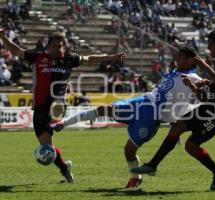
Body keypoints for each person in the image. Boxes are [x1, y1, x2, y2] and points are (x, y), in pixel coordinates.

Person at [50, 47, 202, 188]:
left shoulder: (194, 78)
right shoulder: (176, 71)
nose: (178, 60)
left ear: (191, 60)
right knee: (104, 109)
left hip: (152, 116)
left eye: (181, 58)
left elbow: (198, 97)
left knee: (129, 150)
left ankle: (135, 177)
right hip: (142, 101)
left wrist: (176, 120)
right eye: (178, 57)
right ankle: (64, 122)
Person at [0, 28, 126, 183]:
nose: (57, 49)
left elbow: (91, 58)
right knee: (47, 149)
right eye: (54, 46)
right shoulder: (38, 57)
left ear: (64, 47)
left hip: (58, 104)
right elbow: (17, 51)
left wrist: (112, 57)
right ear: (49, 46)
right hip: (40, 107)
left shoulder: (69, 59)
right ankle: (64, 168)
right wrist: (3, 38)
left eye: (60, 46)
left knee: (56, 108)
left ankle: (57, 121)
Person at [132, 29, 215, 191]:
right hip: (210, 109)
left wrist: (205, 66)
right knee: (178, 127)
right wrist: (194, 87)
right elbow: (206, 97)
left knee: (190, 145)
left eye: (211, 45)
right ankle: (153, 165)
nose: (209, 49)